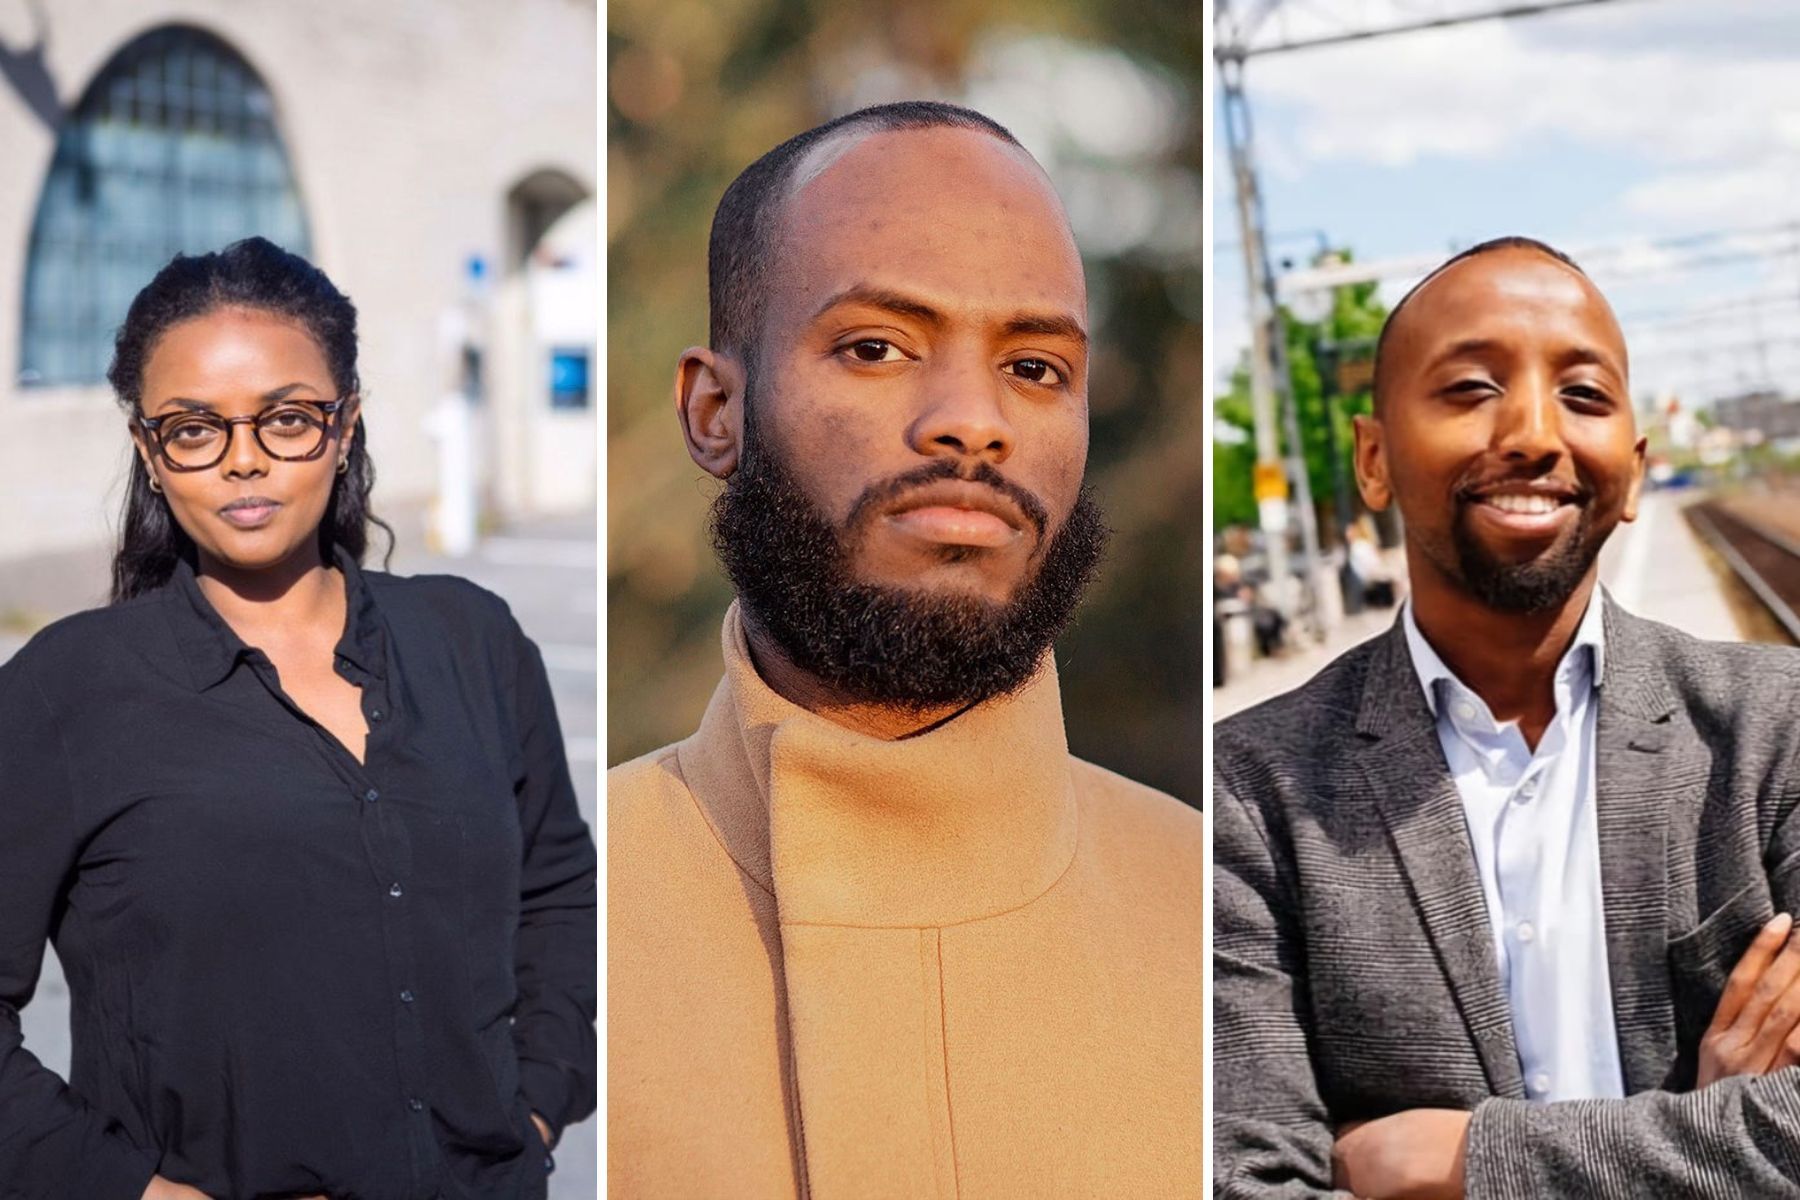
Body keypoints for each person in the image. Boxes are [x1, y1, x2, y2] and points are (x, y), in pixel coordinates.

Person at [607, 101, 1203, 1196]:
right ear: (712, 411)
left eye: (1035, 368)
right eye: (876, 347)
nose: (972, 422)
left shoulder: (1217, 916)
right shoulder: (568, 907)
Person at [0, 238, 597, 1199]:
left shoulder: (471, 641)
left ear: (347, 424)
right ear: (150, 453)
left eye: (286, 419)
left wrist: (536, 1101)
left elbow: (560, 889)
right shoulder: (68, 688)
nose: (244, 462)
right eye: (194, 429)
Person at [1214, 236, 1800, 1199]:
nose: (1534, 432)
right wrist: (1707, 1143)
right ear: (1374, 459)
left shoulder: (1774, 730)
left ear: (1637, 469)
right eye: (1472, 388)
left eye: (1583, 396)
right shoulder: (1250, 794)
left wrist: (1452, 1161)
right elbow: (1243, 1180)